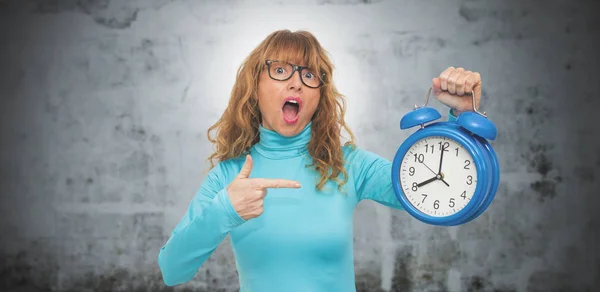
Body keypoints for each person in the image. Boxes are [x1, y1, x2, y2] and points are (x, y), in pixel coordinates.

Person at [157, 29, 483, 291]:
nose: (296, 81)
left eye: (310, 75)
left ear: (318, 97)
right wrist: (224, 210)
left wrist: (461, 120)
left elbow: (450, 199)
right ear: (254, 86)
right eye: (280, 70)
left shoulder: (348, 165)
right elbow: (172, 270)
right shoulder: (228, 177)